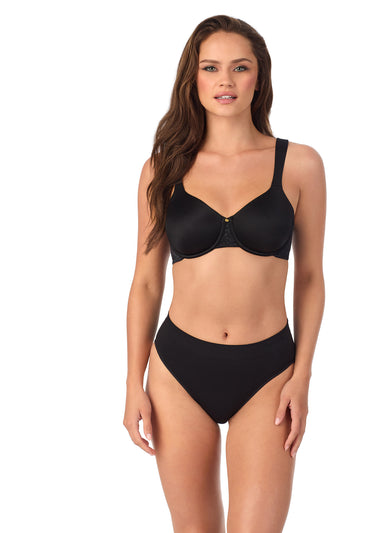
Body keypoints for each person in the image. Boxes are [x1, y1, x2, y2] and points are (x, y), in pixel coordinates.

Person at [124, 14, 326, 533]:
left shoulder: (299, 165)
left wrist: (302, 376)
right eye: (210, 68)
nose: (225, 80)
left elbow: (310, 277)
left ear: (260, 77)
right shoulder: (162, 169)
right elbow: (146, 281)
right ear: (193, 78)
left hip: (269, 372)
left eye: (240, 67)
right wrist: (132, 382)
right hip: (177, 369)